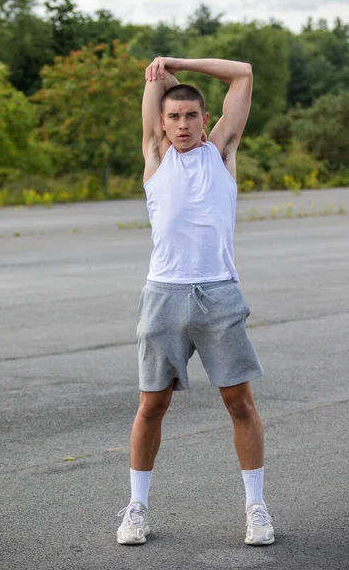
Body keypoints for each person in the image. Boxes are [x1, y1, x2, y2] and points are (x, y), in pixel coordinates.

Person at [117, 57, 274, 547]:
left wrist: (181, 63)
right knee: (150, 406)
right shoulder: (156, 156)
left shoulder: (221, 151)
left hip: (218, 293)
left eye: (191, 116)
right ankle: (136, 508)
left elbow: (243, 73)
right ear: (160, 123)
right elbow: (155, 80)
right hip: (163, 295)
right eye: (173, 117)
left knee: (239, 404)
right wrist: (161, 70)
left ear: (206, 120)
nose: (182, 125)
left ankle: (257, 508)